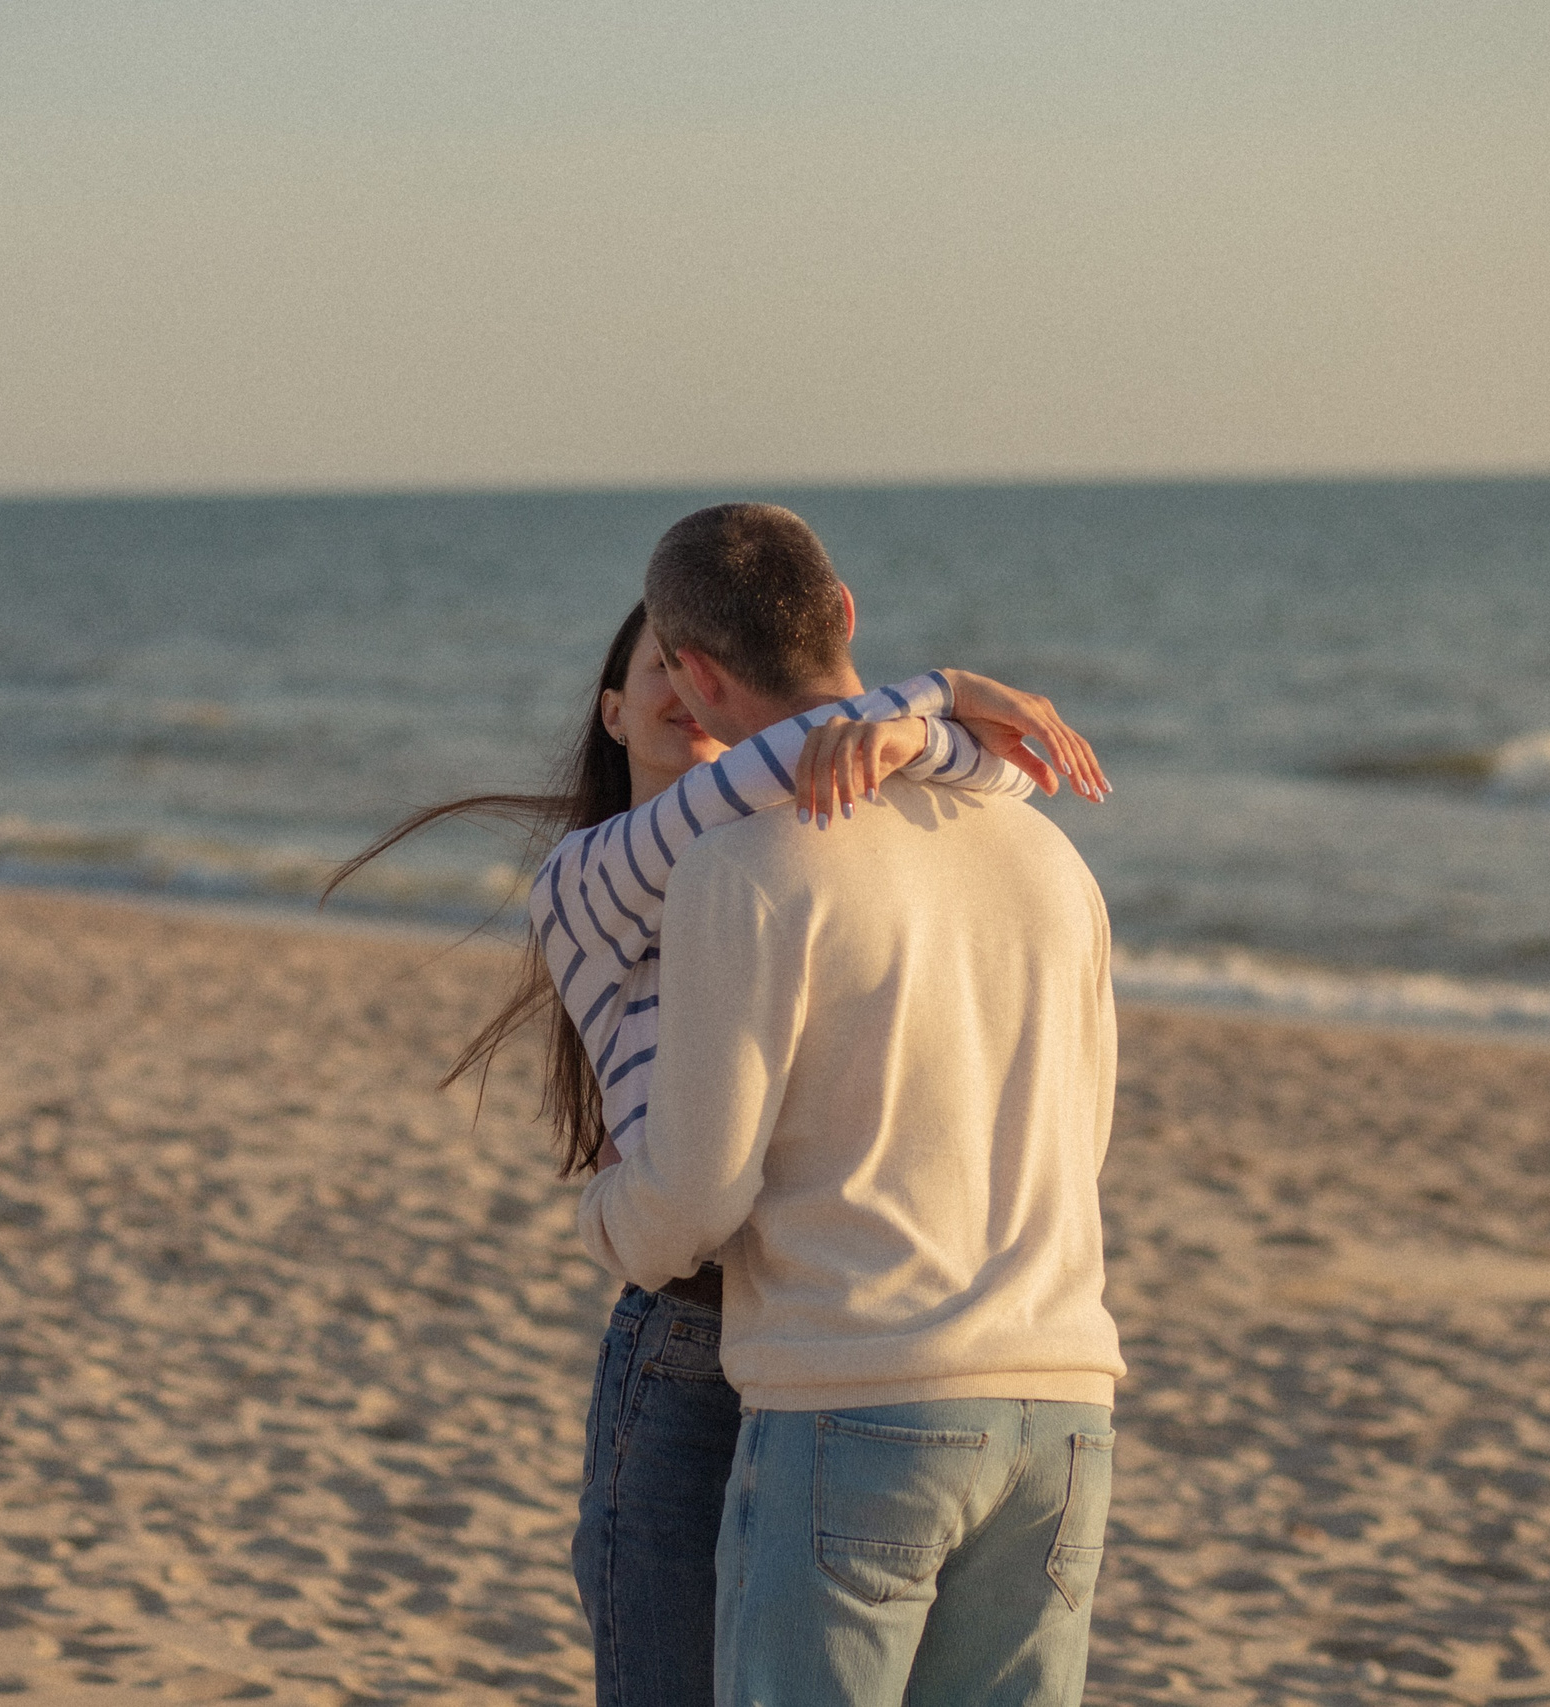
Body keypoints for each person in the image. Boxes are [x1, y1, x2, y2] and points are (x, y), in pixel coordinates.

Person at [330, 590, 1103, 1707]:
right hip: (711, 1324)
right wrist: (932, 702)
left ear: (709, 681)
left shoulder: (787, 840)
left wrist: (921, 727)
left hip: (835, 1338)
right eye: (652, 669)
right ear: (619, 706)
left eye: (683, 665)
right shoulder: (618, 872)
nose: (677, 692)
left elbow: (955, 778)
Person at [576, 503, 1125, 1704]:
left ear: (698, 673)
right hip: (1063, 1403)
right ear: (846, 620)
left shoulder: (746, 865)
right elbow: (1082, 1137)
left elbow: (695, 1192)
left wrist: (603, 1221)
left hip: (862, 1399)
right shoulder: (1047, 855)